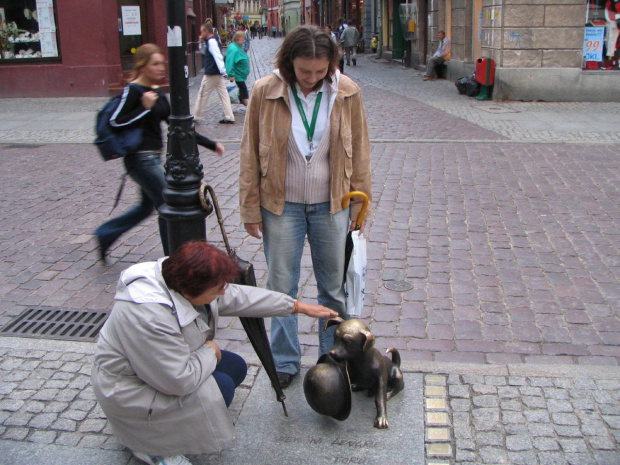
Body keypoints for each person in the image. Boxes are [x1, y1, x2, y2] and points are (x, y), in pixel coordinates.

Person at [91, 241, 337, 465]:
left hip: (160, 369)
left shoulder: (180, 279)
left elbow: (239, 296)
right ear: (190, 292)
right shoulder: (147, 316)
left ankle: (179, 422)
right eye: (217, 289)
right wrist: (210, 351)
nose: (222, 292)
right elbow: (177, 379)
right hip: (130, 391)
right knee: (221, 387)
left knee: (235, 367)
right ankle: (151, 447)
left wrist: (297, 307)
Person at [239, 25, 372, 389]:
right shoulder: (265, 91)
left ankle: (332, 360)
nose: (312, 79)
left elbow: (359, 150)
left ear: (331, 64)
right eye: (304, 71)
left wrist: (361, 204)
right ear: (288, 63)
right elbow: (250, 153)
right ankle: (284, 359)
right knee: (282, 285)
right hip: (281, 206)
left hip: (333, 204)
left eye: (320, 71)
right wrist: (250, 208)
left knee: (334, 289)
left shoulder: (347, 92)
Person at [94, 44, 225, 263]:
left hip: (153, 158)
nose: (161, 68)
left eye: (161, 63)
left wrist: (210, 144)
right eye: (155, 64)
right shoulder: (133, 91)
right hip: (139, 159)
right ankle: (174, 258)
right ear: (142, 66)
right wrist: (143, 108)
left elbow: (178, 126)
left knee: (146, 208)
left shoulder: (156, 92)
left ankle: (105, 234)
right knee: (169, 202)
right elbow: (115, 122)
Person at [192, 23, 235, 124]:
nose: (201, 33)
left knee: (203, 93)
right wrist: (201, 43)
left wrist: (223, 71)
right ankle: (229, 116)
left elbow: (217, 56)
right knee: (224, 95)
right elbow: (204, 52)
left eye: (202, 31)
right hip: (217, 73)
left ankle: (196, 115)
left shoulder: (211, 41)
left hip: (212, 72)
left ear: (206, 31)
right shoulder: (212, 41)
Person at [225, 31, 250, 108]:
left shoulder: (239, 47)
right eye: (242, 40)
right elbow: (230, 62)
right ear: (237, 39)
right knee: (243, 92)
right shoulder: (233, 49)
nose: (244, 41)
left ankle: (229, 107)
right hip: (237, 76)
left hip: (240, 76)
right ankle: (250, 108)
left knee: (240, 92)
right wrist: (231, 74)